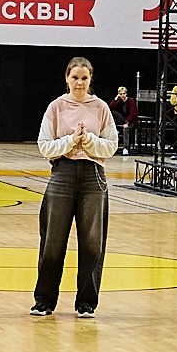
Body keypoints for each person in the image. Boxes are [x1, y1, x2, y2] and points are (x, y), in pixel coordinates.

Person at [33, 56, 118, 318]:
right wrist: (71, 141)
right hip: (63, 173)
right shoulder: (56, 107)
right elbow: (45, 146)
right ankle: (44, 301)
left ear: (90, 79)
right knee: (53, 241)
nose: (79, 82)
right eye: (75, 77)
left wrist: (89, 141)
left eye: (84, 78)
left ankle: (86, 303)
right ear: (67, 78)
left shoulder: (101, 107)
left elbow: (111, 145)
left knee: (92, 242)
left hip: (93, 175)